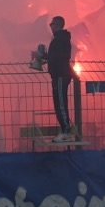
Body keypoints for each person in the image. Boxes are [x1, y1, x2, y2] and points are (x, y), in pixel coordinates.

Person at [36, 15, 77, 143]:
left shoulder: (60, 39)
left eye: (52, 24)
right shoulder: (61, 39)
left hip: (60, 75)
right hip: (58, 75)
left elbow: (58, 57)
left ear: (57, 25)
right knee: (59, 103)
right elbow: (56, 56)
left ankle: (66, 131)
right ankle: (64, 130)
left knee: (61, 103)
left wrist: (43, 55)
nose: (51, 27)